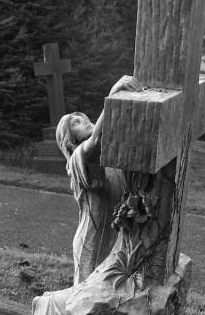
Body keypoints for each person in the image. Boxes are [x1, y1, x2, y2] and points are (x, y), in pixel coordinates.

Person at [54, 75, 142, 285]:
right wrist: (112, 98)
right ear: (71, 139)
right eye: (76, 122)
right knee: (86, 304)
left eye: (84, 117)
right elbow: (96, 141)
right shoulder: (78, 160)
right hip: (93, 242)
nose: (83, 119)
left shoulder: (109, 159)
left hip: (115, 242)